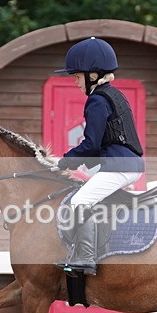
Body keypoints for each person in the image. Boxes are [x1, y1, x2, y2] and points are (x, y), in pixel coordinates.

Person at [53, 37, 145, 276]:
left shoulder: (97, 100)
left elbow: (91, 144)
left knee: (79, 202)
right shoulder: (114, 95)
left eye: (76, 76)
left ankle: (85, 258)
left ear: (92, 75)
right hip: (124, 162)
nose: (74, 81)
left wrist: (64, 161)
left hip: (119, 166)